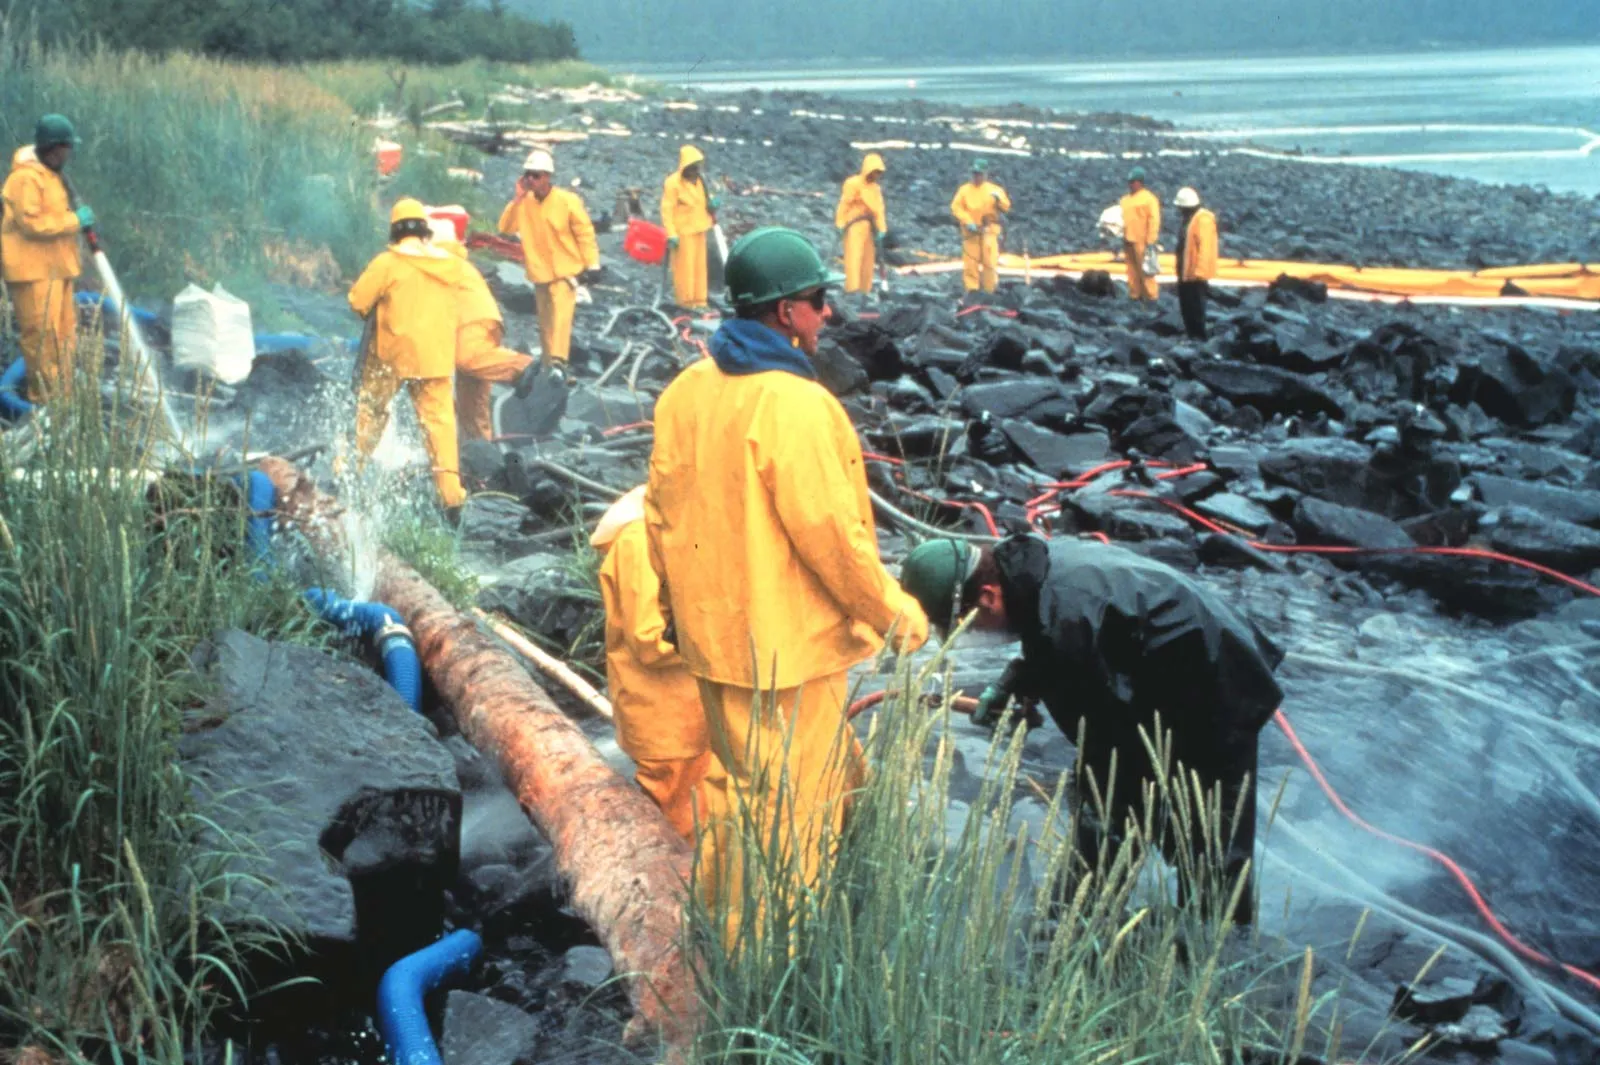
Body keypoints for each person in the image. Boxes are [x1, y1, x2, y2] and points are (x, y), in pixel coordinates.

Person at [645, 227, 929, 935]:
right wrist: (895, 615)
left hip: (714, 643)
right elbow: (834, 540)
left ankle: (713, 932)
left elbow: (659, 515)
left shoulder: (685, 391)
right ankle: (767, 968)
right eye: (816, 300)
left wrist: (672, 607)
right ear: (782, 313)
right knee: (793, 820)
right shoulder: (796, 406)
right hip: (787, 656)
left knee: (736, 786)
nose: (827, 313)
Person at [899, 534, 1284, 925]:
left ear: (986, 597)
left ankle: (1214, 954)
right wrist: (1013, 682)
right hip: (1172, 658)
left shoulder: (1069, 619)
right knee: (1116, 816)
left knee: (1206, 847)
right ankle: (1080, 919)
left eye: (970, 626)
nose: (977, 635)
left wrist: (1106, 815)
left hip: (1220, 681)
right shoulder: (1028, 567)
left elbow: (1106, 746)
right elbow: (1043, 635)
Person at [593, 485, 714, 840]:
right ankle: (678, 892)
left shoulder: (669, 525)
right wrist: (722, 645)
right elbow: (649, 639)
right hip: (665, 721)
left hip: (687, 713)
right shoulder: (637, 540)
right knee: (680, 824)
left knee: (700, 810)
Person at [347, 197, 474, 512]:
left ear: (394, 231)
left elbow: (358, 301)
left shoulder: (387, 263)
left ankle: (349, 471)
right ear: (424, 230)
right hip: (435, 359)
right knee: (440, 426)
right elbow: (458, 258)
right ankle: (451, 496)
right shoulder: (451, 264)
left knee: (371, 410)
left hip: (392, 356)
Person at [1, 114, 91, 402]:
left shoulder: (52, 175)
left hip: (57, 269)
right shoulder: (24, 178)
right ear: (53, 147)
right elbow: (32, 224)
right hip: (33, 273)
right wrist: (74, 221)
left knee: (65, 338)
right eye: (66, 149)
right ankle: (44, 402)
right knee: (43, 339)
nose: (69, 155)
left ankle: (63, 401)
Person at [427, 217, 539, 442]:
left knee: (469, 359)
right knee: (471, 403)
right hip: (480, 321)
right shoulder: (452, 261)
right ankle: (482, 449)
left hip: (471, 323)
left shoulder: (438, 261)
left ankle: (528, 368)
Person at [497, 148, 601, 377]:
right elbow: (505, 228)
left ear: (547, 176)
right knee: (545, 322)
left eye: (536, 175)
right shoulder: (524, 204)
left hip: (566, 272)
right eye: (528, 175)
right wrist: (517, 198)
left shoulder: (567, 201)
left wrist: (592, 264)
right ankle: (547, 367)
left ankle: (558, 362)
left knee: (561, 316)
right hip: (540, 272)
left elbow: (585, 233)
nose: (531, 180)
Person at [660, 145, 717, 310]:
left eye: (697, 166)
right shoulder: (672, 183)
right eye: (692, 166)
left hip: (700, 228)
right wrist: (671, 233)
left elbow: (707, 200)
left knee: (699, 267)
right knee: (684, 268)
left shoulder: (700, 181)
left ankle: (700, 301)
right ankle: (685, 302)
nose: (695, 170)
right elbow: (666, 209)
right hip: (683, 232)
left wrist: (713, 205)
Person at [950, 159, 1010, 295]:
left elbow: (1006, 207)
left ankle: (989, 292)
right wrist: (967, 221)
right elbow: (956, 207)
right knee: (970, 264)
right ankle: (972, 292)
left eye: (979, 174)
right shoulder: (964, 190)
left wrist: (999, 200)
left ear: (985, 174)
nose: (976, 177)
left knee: (989, 263)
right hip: (970, 232)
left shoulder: (995, 190)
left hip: (989, 230)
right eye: (974, 174)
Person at [835, 153, 888, 298]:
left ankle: (865, 290)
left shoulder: (875, 189)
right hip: (854, 226)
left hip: (870, 227)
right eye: (875, 171)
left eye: (878, 172)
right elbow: (844, 203)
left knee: (867, 259)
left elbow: (879, 209)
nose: (876, 175)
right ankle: (852, 289)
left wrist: (881, 228)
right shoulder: (853, 183)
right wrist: (840, 222)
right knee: (854, 257)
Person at [1174, 187, 1218, 340]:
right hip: (1186, 272)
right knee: (1187, 305)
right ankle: (1192, 334)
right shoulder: (1190, 219)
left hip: (1195, 274)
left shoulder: (1203, 220)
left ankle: (1198, 336)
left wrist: (1200, 271)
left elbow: (1205, 248)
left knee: (1196, 306)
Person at [1120, 167, 1161, 301]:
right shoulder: (1125, 200)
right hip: (1128, 238)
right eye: (1130, 182)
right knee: (1131, 270)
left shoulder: (1149, 199)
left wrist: (1151, 239)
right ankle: (1135, 294)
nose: (1131, 184)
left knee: (1146, 270)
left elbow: (1154, 219)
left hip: (1142, 240)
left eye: (1134, 182)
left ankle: (1151, 296)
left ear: (1140, 182)